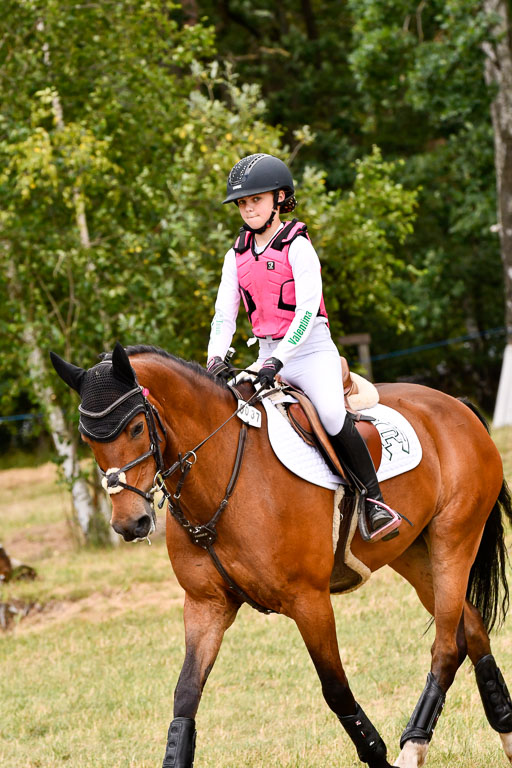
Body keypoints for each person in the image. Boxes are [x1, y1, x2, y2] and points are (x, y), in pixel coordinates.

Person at [206, 153, 400, 542]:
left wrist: (277, 360)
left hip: (309, 352)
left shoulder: (298, 246)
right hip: (265, 354)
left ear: (280, 198)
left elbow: (308, 312)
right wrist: (214, 357)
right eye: (243, 203)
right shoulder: (236, 254)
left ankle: (375, 502)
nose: (248, 208)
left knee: (329, 414)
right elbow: (224, 315)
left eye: (255, 200)